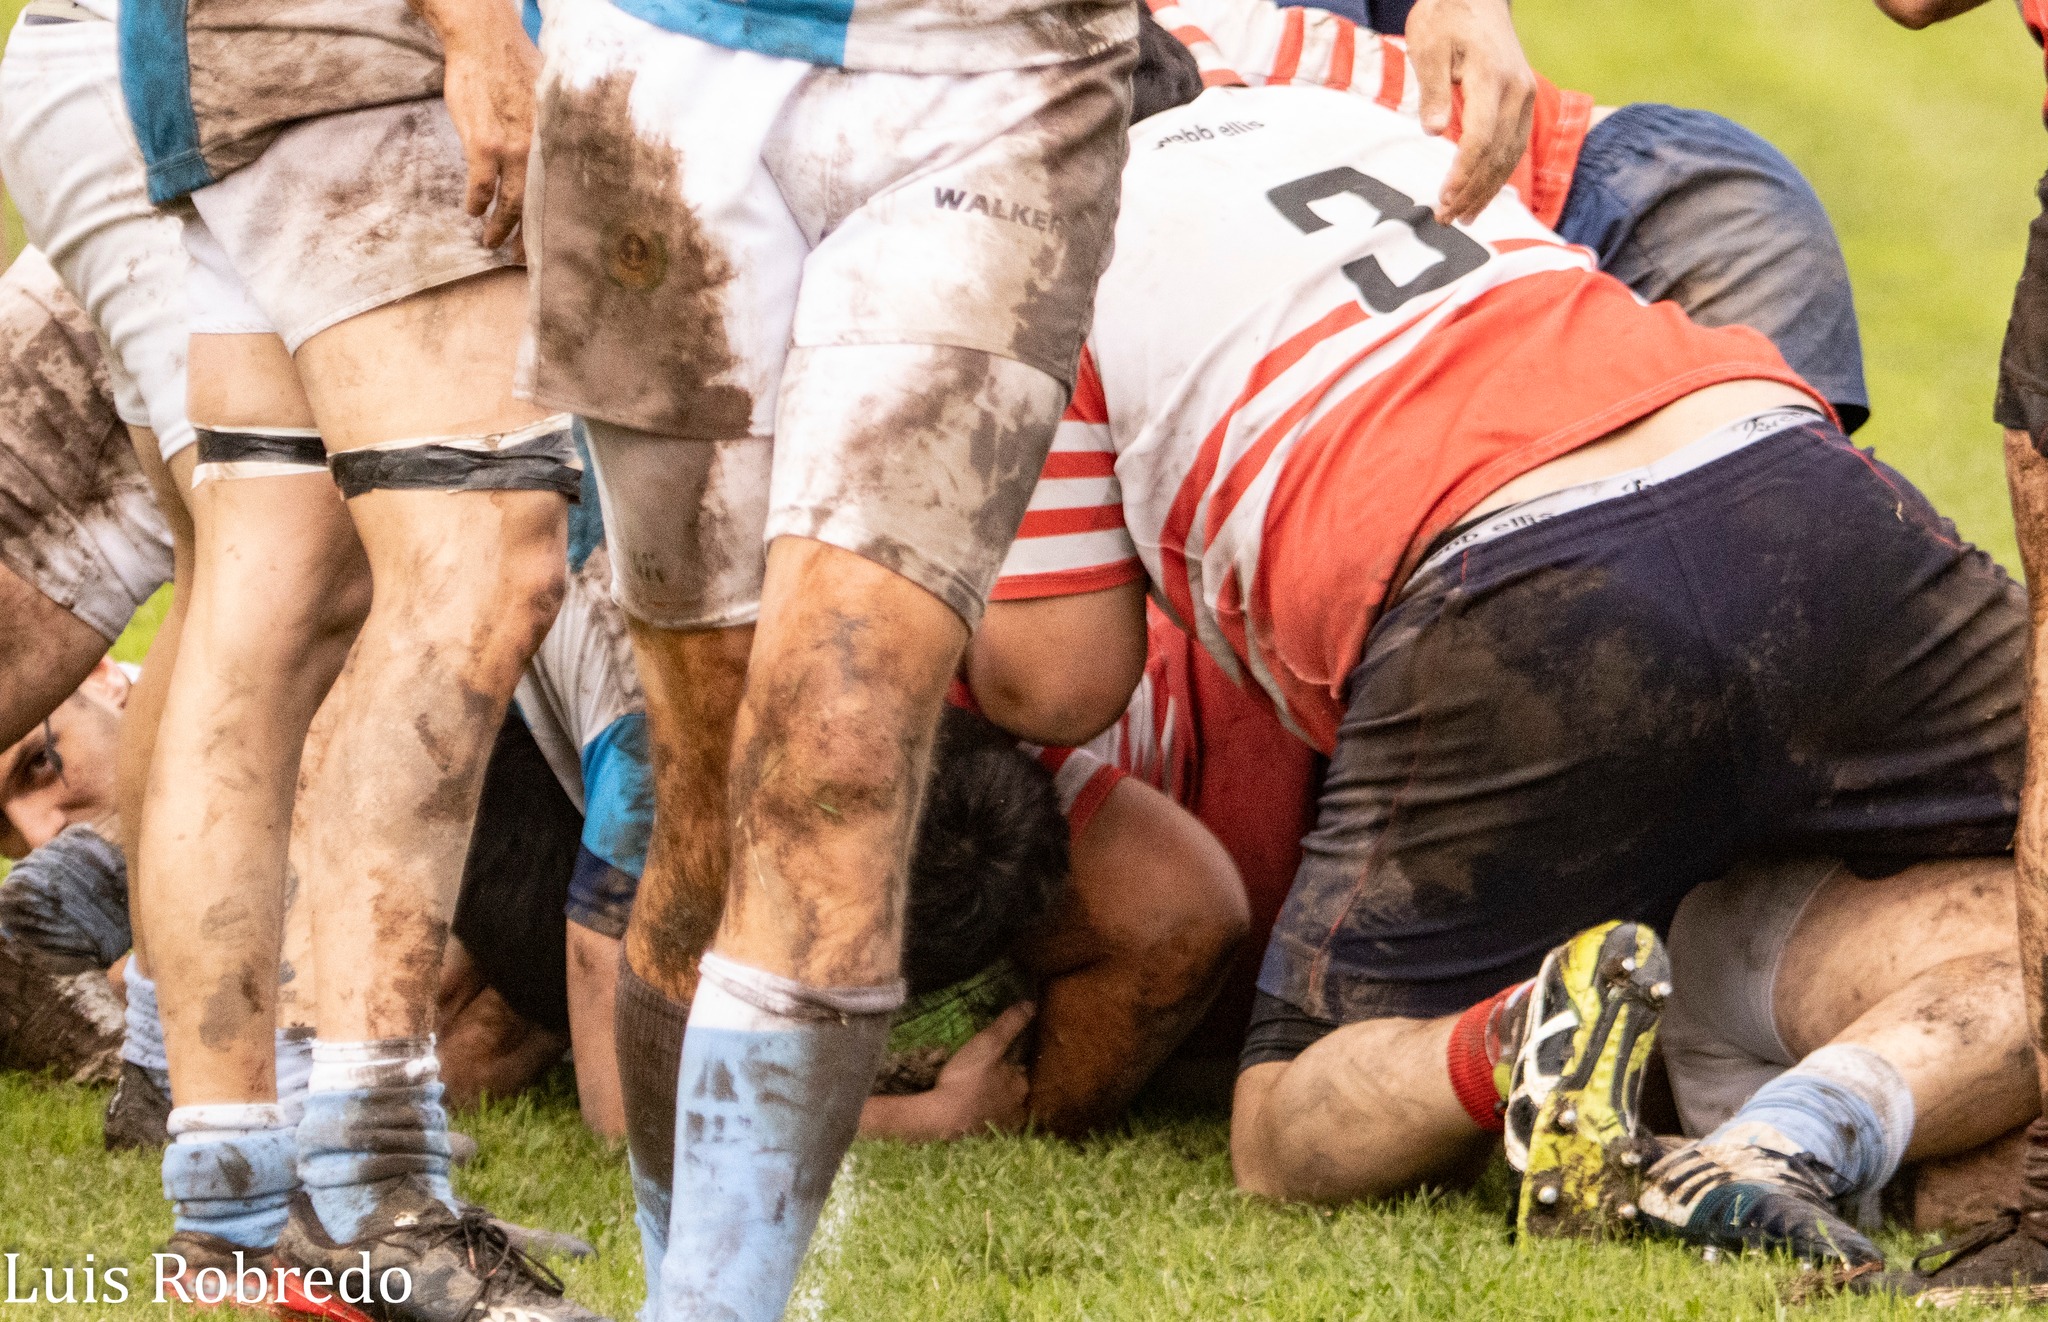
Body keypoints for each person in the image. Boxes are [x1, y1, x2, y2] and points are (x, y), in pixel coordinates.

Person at [961, 18, 2033, 1264]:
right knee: (2022, 890)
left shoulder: (1025, 259)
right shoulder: (1340, 119)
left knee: (1279, 1127)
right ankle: (1799, 1130)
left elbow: (1060, 676)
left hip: (1507, 589)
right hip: (1779, 476)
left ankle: (1521, 1039)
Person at [112, 0, 592, 1312]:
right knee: (485, 564)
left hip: (212, 58)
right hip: (358, 46)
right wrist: (482, 28)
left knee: (276, 593)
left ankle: (232, 1203)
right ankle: (375, 1181)